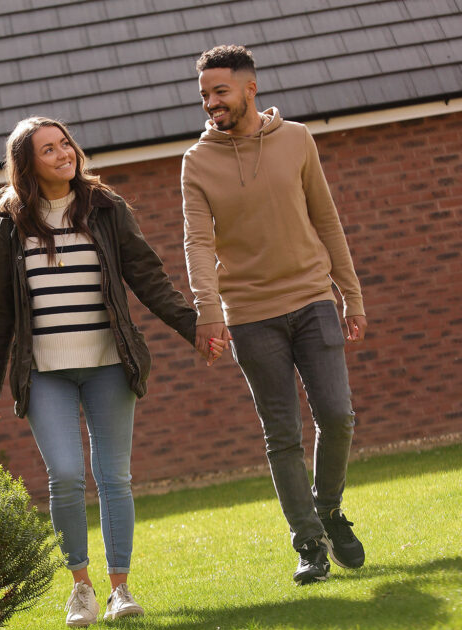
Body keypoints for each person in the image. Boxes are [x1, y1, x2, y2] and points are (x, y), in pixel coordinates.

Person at [0, 116, 224, 627]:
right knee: (65, 475)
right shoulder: (13, 220)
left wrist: (192, 327)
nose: (63, 153)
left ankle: (120, 589)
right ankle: (81, 588)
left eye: (64, 143)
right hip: (45, 372)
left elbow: (147, 275)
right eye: (49, 149)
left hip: (110, 364)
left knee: (114, 477)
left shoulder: (105, 208)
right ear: (28, 163)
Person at [181, 45, 369, 585]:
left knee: (337, 416)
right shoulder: (198, 161)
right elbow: (196, 242)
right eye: (204, 95)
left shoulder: (296, 139)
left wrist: (350, 295)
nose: (211, 102)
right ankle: (309, 542)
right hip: (250, 315)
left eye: (220, 91)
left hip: (312, 300)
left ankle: (328, 509)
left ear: (249, 89)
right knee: (282, 433)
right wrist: (208, 311)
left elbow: (327, 220)